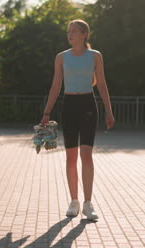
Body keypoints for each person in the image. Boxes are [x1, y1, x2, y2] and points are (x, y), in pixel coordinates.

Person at [40, 19, 115, 220]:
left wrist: (109, 111)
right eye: (68, 31)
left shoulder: (95, 56)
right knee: (71, 157)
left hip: (88, 105)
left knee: (86, 155)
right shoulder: (61, 57)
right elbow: (56, 87)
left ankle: (88, 204)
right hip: (69, 106)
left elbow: (102, 85)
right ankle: (74, 202)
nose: (70, 34)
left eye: (74, 31)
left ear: (84, 34)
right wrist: (46, 113)